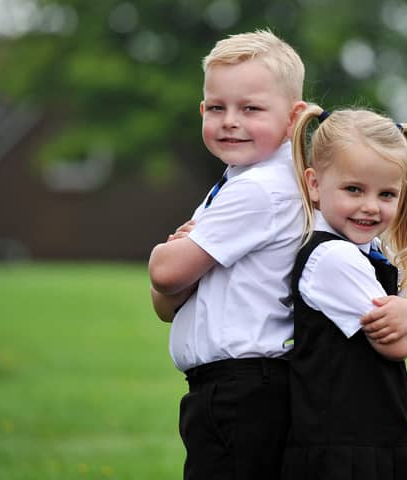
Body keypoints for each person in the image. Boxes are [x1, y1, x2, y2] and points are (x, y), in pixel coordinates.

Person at [148, 29, 307, 480]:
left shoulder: (260, 190)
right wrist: (173, 269)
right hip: (232, 388)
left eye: (251, 109)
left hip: (244, 390)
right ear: (202, 110)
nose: (230, 121)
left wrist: (169, 251)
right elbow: (166, 303)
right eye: (217, 108)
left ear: (294, 118)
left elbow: (165, 273)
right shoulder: (237, 182)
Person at [281, 104, 407, 480]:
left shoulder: (369, 254)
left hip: (367, 439)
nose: (370, 207)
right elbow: (398, 346)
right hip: (343, 449)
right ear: (315, 184)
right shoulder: (334, 259)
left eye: (387, 194)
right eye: (354, 189)